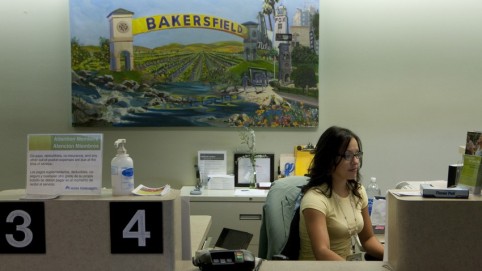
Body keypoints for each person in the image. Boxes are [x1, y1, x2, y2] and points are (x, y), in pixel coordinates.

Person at [299, 126, 384, 261]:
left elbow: (368, 239)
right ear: (329, 159)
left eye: (357, 154)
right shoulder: (314, 200)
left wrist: (394, 258)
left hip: (346, 265)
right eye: (347, 155)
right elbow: (322, 252)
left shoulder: (358, 192)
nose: (355, 161)